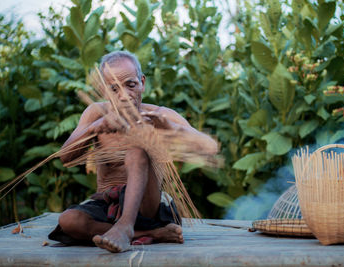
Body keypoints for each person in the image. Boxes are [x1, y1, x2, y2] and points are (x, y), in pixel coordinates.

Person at [48, 51, 218, 253]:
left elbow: (210, 148)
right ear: (104, 90)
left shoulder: (159, 114)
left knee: (137, 150)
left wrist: (170, 127)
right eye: (114, 89)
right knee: (68, 220)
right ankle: (153, 234)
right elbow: (65, 157)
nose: (124, 95)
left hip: (149, 208)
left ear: (142, 82)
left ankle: (126, 226)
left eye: (131, 85)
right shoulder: (95, 114)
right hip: (108, 205)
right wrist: (96, 127)